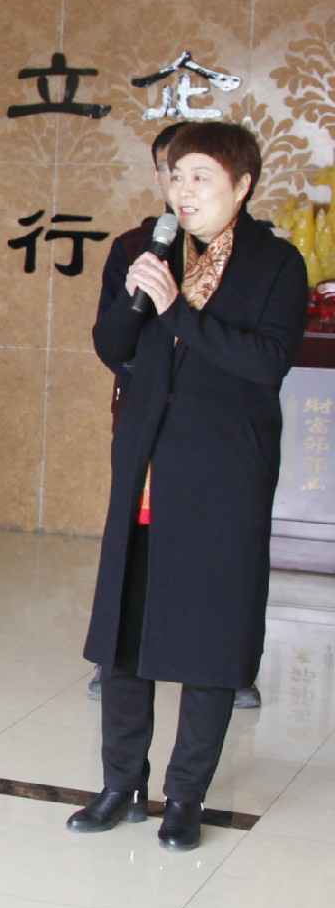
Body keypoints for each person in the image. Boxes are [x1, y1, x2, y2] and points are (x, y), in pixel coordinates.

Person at [69, 121, 305, 851]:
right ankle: (120, 784)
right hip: (146, 464)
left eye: (201, 177)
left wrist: (177, 309)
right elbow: (112, 346)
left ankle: (186, 795)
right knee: (125, 634)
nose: (184, 191)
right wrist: (136, 298)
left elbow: (266, 363)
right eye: (176, 176)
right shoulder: (143, 247)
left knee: (210, 633)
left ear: (242, 185)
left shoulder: (276, 263)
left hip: (224, 472)